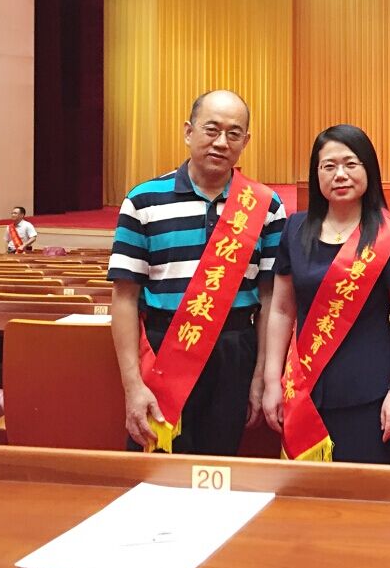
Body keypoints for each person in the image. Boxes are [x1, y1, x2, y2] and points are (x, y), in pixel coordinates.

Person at [108, 89, 286, 456]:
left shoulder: (266, 205)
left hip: (235, 351)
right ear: (188, 132)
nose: (221, 142)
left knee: (218, 469)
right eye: (211, 129)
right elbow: (124, 298)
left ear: (246, 142)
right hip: (164, 350)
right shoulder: (143, 200)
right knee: (157, 467)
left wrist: (259, 375)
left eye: (234, 134)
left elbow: (271, 298)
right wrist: (132, 385)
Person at [261, 125, 390, 464]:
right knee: (305, 492)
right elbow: (281, 311)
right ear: (316, 173)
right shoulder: (295, 229)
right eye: (328, 166)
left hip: (371, 395)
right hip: (303, 388)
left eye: (350, 164)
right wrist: (272, 380)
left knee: (364, 491)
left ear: (368, 169)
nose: (340, 174)